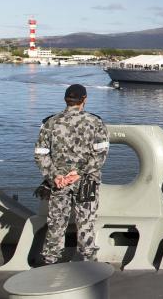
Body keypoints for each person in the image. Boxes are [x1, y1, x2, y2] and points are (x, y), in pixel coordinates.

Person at [34, 84, 109, 264]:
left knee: (56, 222)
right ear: (84, 99)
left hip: (59, 182)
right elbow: (100, 154)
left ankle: (50, 260)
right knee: (86, 222)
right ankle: (88, 260)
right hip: (86, 182)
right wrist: (80, 173)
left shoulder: (50, 123)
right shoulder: (95, 122)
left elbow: (41, 153)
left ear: (66, 100)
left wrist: (54, 176)